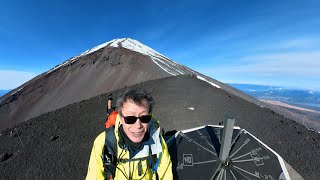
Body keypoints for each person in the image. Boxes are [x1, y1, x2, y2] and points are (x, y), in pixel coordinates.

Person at [86, 89, 173, 180]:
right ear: (120, 118)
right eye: (130, 119)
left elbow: (166, 173)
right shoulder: (103, 142)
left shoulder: (156, 140)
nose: (138, 125)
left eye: (144, 118)